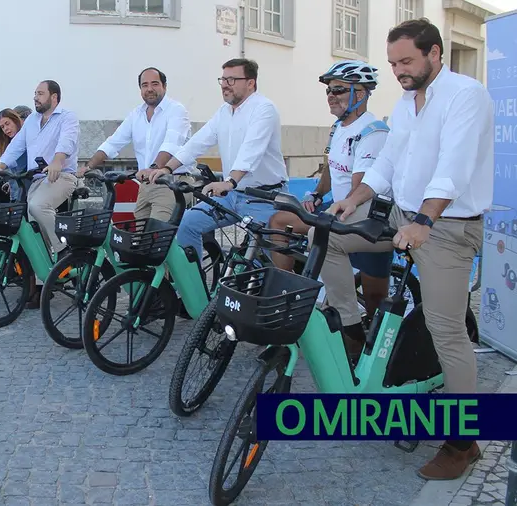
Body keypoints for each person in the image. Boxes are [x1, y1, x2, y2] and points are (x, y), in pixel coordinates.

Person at [323, 18, 492, 479]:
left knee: (447, 332)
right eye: (393, 62)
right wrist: (353, 200)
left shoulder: (464, 94)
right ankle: (355, 333)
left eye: (407, 61)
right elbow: (390, 160)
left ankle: (462, 444)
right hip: (401, 216)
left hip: (447, 227)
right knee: (328, 243)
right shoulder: (404, 102)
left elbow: (454, 167)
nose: (399, 70)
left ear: (435, 53)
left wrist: (424, 220)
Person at [268, 60, 392, 322]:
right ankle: (287, 298)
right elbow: (331, 167)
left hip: (366, 217)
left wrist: (333, 207)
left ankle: (354, 330)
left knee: (374, 305)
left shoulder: (373, 133)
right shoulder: (338, 128)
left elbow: (360, 189)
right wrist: (316, 194)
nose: (331, 96)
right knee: (279, 221)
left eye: (338, 90)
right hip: (337, 209)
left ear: (360, 94)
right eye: (329, 91)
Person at [157, 58, 288, 262]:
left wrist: (230, 181)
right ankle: (194, 287)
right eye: (223, 79)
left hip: (263, 197)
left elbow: (251, 149)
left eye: (232, 79)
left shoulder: (264, 109)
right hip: (232, 195)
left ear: (250, 83)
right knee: (188, 223)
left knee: (262, 260)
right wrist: (167, 168)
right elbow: (197, 143)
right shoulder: (224, 112)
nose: (225, 84)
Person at [0, 80, 80, 308]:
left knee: (37, 207)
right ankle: (44, 282)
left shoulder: (67, 117)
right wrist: (0, 167)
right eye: (35, 94)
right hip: (37, 180)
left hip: (61, 176)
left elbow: (67, 141)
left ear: (54, 97)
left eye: (40, 94)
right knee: (33, 231)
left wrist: (58, 161)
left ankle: (64, 250)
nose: (36, 97)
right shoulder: (31, 121)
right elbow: (16, 146)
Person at [80, 67, 194, 222]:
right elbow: (113, 143)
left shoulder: (176, 110)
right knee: (138, 236)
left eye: (154, 84)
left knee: (156, 234)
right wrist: (88, 166)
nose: (149, 89)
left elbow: (171, 145)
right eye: (144, 85)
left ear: (164, 86)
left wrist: (153, 169)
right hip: (146, 185)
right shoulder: (136, 114)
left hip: (172, 183)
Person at [0, 108, 26, 201]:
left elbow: (12, 155)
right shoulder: (8, 144)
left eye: (7, 124)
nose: (6, 129)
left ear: (16, 121)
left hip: (28, 193)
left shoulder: (24, 138)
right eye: (2, 127)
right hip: (16, 192)